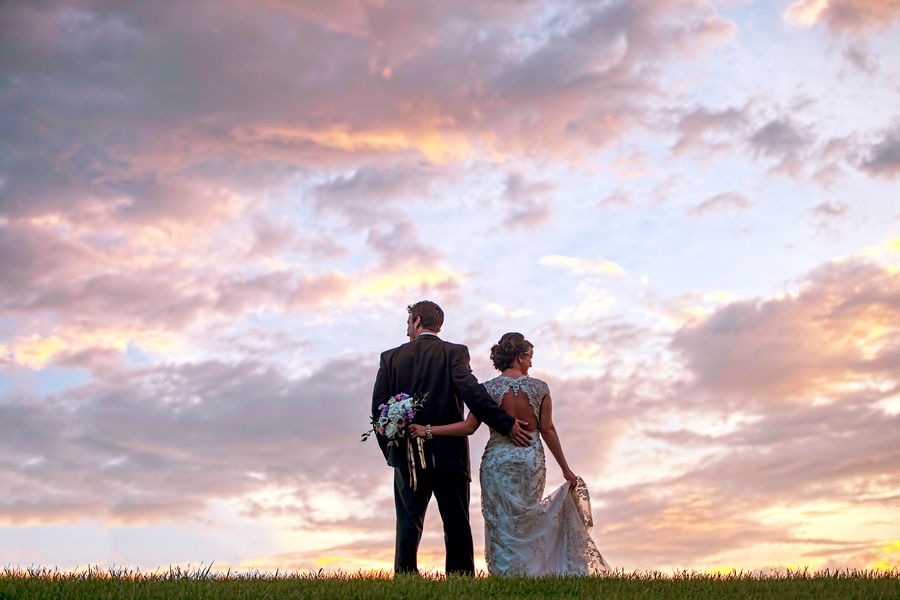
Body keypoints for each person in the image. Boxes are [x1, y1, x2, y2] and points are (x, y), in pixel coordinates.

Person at [408, 332, 610, 576]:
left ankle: (506, 573)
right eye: (530, 356)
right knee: (527, 517)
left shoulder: (487, 389)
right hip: (530, 462)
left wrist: (427, 430)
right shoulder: (540, 388)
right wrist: (566, 469)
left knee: (501, 522)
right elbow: (547, 430)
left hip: (496, 464)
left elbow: (468, 427)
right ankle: (531, 571)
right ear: (519, 356)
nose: (531, 362)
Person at [372, 301, 533, 576]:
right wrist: (505, 423)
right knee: (456, 522)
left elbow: (379, 413)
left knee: (408, 523)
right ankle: (461, 579)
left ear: (418, 320)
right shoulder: (453, 353)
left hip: (407, 456)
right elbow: (473, 394)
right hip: (450, 455)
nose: (407, 331)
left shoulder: (391, 358)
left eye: (408, 323)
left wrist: (393, 453)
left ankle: (405, 576)